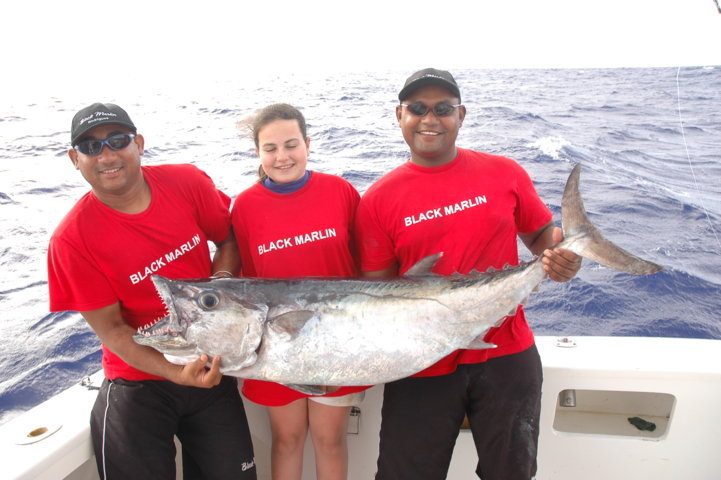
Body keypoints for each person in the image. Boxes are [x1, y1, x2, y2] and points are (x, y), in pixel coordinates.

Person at [354, 68, 583, 480]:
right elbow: (377, 295)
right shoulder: (376, 201)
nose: (430, 119)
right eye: (417, 108)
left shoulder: (504, 172)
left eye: (443, 108)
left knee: (511, 474)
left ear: (462, 115)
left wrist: (565, 253)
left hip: (505, 352)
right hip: (421, 363)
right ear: (398, 115)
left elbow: (539, 237)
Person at [47, 103, 256, 479]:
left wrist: (218, 289)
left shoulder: (187, 183)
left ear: (139, 144)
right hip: (137, 381)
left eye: (118, 140)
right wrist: (172, 373)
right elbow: (112, 330)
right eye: (91, 147)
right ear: (74, 159)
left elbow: (228, 238)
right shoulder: (71, 240)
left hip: (209, 365)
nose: (107, 155)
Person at [231, 103, 369, 480]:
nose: (282, 156)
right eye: (270, 148)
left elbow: (365, 264)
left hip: (336, 340)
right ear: (258, 154)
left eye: (291, 144)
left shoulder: (340, 191)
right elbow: (247, 279)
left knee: (329, 439)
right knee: (287, 439)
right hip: (277, 343)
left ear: (307, 143)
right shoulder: (244, 206)